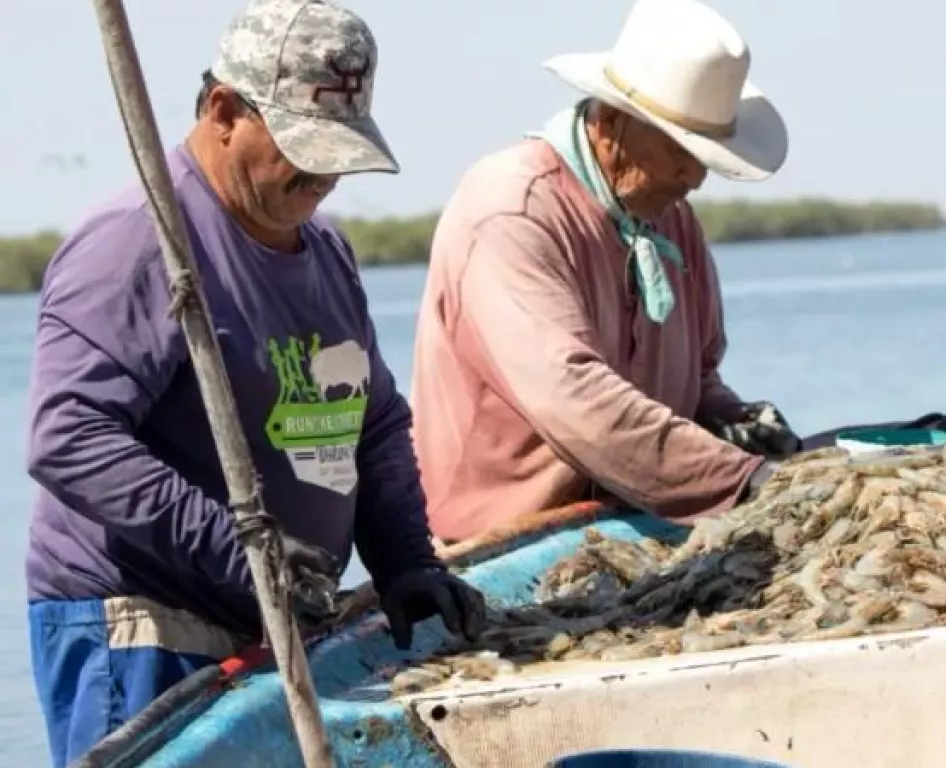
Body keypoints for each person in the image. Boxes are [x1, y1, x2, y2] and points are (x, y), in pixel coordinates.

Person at [24, 2, 484, 764]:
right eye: (303, 147)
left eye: (339, 150)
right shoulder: (140, 240)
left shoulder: (328, 250)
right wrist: (244, 550)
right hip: (151, 630)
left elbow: (370, 423)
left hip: (278, 619)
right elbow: (69, 438)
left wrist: (405, 560)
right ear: (223, 111)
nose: (325, 175)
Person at [409, 0, 801, 544]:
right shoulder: (512, 210)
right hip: (502, 545)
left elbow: (699, 380)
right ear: (611, 121)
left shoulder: (673, 218)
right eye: (677, 148)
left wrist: (737, 421)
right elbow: (575, 401)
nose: (693, 176)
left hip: (635, 526)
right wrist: (746, 480)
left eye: (705, 156)